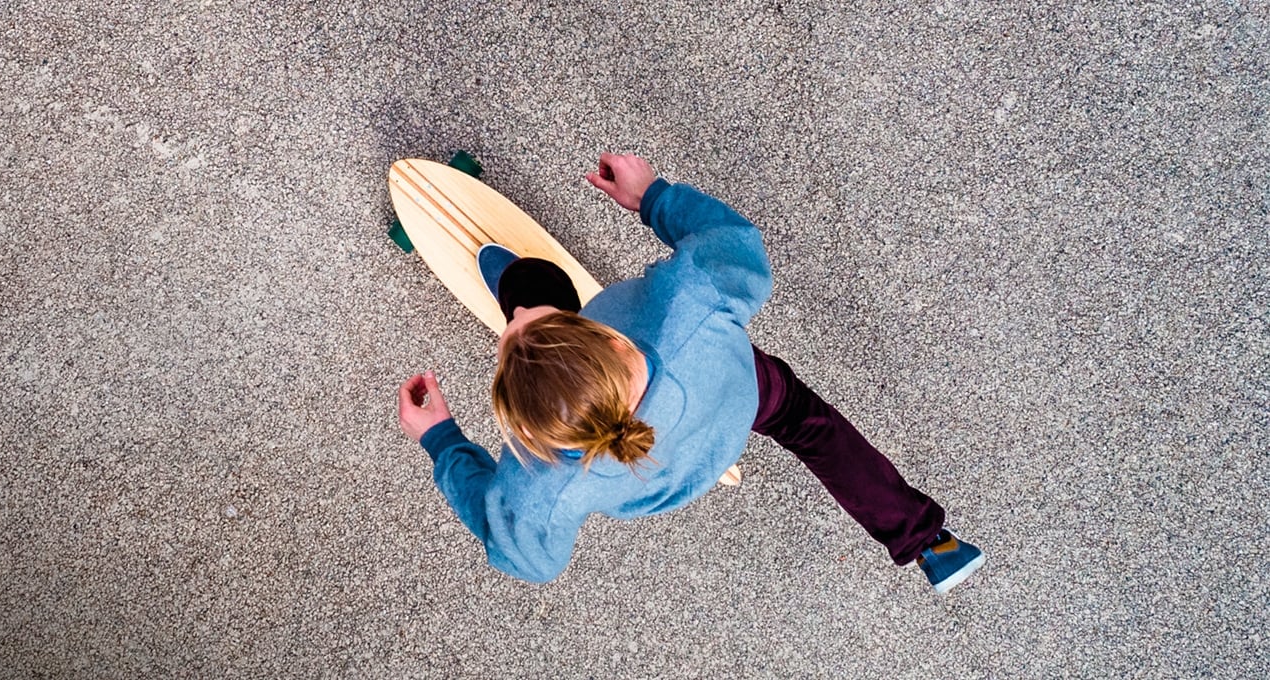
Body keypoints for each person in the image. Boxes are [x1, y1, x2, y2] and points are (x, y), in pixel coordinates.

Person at [395, 152, 984, 593]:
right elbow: (736, 246)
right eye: (527, 322)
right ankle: (927, 541)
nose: (516, 320)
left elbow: (528, 557)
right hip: (741, 396)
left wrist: (442, 440)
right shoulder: (689, 304)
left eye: (514, 325)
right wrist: (653, 196)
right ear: (605, 336)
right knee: (813, 428)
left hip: (672, 479)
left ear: (532, 437)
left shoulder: (545, 482)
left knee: (535, 280)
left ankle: (526, 280)